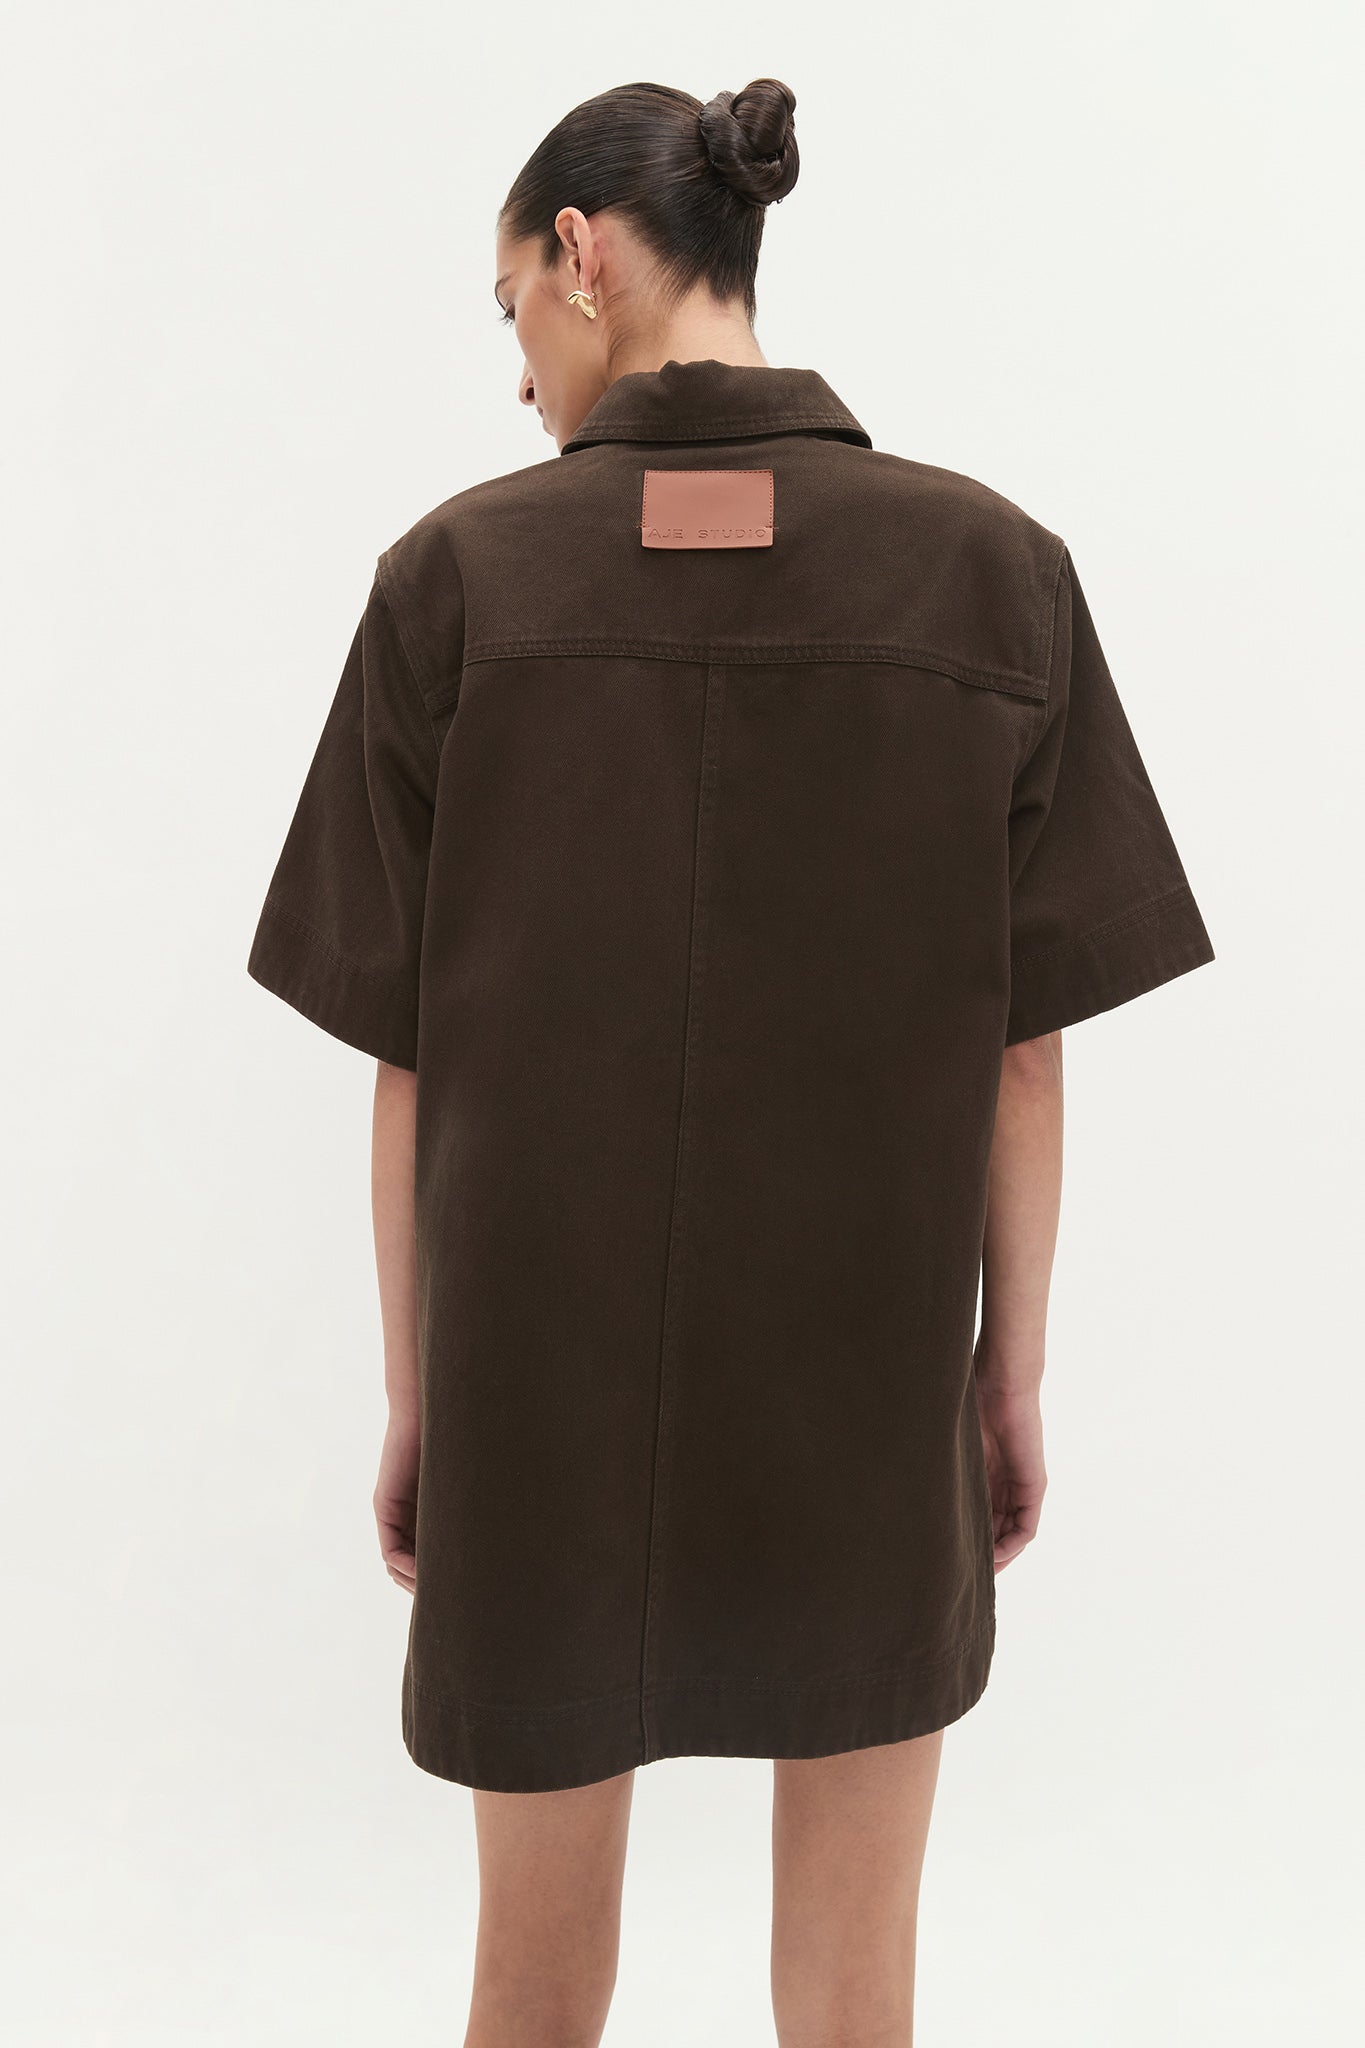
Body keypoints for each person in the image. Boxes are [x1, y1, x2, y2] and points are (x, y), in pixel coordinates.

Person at [246, 76, 1215, 2048]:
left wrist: (421, 1394)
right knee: (852, 2002)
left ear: (579, 256)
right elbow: (1023, 1055)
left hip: (535, 1391)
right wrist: (1004, 1379)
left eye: (509, 308)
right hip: (867, 1384)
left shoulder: (454, 583)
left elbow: (411, 1067)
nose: (518, 371)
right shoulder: (990, 571)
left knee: (530, 1992)